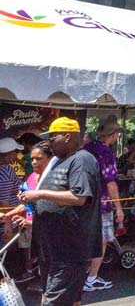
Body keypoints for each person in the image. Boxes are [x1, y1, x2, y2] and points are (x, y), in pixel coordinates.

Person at [19, 117, 102, 306]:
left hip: (69, 250)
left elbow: (79, 197)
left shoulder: (82, 160)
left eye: (52, 138)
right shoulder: (60, 161)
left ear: (66, 137)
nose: (49, 143)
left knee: (53, 302)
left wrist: (39, 194)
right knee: (62, 299)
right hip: (52, 249)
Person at [0, 140, 53, 285]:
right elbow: (8, 203)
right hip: (20, 220)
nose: (34, 162)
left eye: (38, 159)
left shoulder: (52, 179)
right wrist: (8, 220)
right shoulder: (7, 172)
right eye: (32, 159)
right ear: (8, 155)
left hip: (30, 222)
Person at [82, 117, 125, 292]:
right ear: (113, 135)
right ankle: (92, 277)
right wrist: (119, 208)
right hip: (103, 203)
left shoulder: (87, 148)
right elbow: (110, 182)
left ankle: (84, 273)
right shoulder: (107, 153)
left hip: (83, 200)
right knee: (103, 240)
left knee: (86, 238)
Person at [0, 137, 22, 240]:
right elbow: (5, 203)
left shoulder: (7, 168)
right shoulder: (5, 173)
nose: (16, 155)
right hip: (8, 224)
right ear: (9, 154)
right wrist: (7, 226)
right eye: (15, 152)